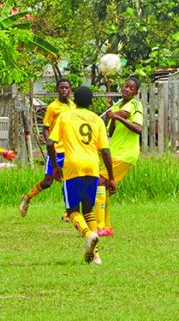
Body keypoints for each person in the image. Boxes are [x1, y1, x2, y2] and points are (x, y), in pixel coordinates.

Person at [48, 85, 116, 265]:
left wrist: (55, 166)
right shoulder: (97, 119)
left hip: (73, 167)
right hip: (92, 167)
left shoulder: (65, 116)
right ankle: (96, 256)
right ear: (92, 102)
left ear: (74, 101)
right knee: (88, 210)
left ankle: (88, 235)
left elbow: (50, 142)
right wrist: (111, 177)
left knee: (72, 211)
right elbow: (106, 151)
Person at [19, 78, 75, 217]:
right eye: (61, 88)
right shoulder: (53, 107)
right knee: (48, 182)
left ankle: (68, 213)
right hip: (56, 150)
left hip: (70, 150)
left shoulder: (74, 106)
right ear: (57, 90)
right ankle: (27, 197)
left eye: (66, 88)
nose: (64, 90)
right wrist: (49, 142)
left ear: (70, 90)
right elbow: (46, 127)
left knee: (70, 181)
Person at [95, 76, 143, 237]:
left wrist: (119, 117)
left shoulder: (136, 105)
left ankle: (100, 226)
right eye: (125, 86)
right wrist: (113, 118)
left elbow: (139, 129)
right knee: (106, 187)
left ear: (136, 92)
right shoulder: (117, 106)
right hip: (114, 152)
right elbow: (111, 132)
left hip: (125, 154)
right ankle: (107, 227)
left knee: (98, 183)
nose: (126, 89)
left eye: (131, 88)